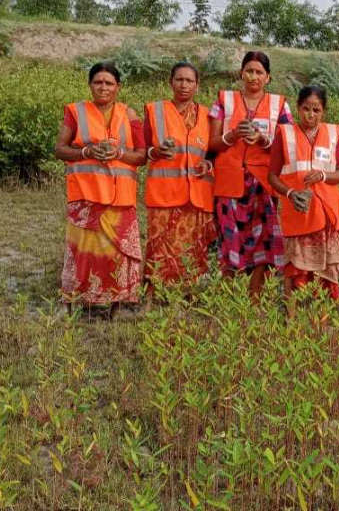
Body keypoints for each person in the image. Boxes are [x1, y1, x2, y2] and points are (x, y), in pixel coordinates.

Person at [54, 62, 146, 315]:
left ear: (118, 87)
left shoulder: (130, 115)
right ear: (90, 85)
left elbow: (141, 156)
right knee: (85, 253)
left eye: (109, 83)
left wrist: (119, 153)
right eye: (98, 82)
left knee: (120, 254)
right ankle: (85, 300)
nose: (103, 87)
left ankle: (120, 301)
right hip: (85, 195)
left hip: (121, 198)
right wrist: (86, 151)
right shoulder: (76, 112)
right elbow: (60, 149)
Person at [208, 51, 292, 297]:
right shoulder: (224, 100)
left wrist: (264, 140)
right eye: (250, 71)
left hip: (263, 186)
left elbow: (289, 144)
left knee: (263, 245)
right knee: (228, 243)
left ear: (268, 77)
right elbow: (211, 143)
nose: (254, 77)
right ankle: (227, 301)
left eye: (259, 72)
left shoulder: (280, 105)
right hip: (230, 182)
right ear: (241, 73)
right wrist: (231, 136)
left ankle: (255, 301)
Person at [268, 85, 339, 300]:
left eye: (316, 110)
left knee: (327, 272)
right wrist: (289, 193)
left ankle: (322, 320)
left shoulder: (333, 134)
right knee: (295, 269)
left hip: (328, 215)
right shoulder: (285, 134)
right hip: (299, 213)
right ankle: (293, 317)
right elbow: (272, 176)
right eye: (306, 109)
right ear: (298, 108)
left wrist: (323, 176)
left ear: (324, 111)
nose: (311, 115)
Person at [142, 62, 216, 290]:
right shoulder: (155, 111)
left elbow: (213, 152)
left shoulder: (207, 115)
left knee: (193, 250)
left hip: (196, 196)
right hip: (164, 194)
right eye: (179, 80)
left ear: (197, 85)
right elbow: (141, 151)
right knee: (159, 248)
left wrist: (209, 165)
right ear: (170, 82)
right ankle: (154, 295)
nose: (184, 85)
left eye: (189, 81)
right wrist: (156, 152)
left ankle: (188, 296)